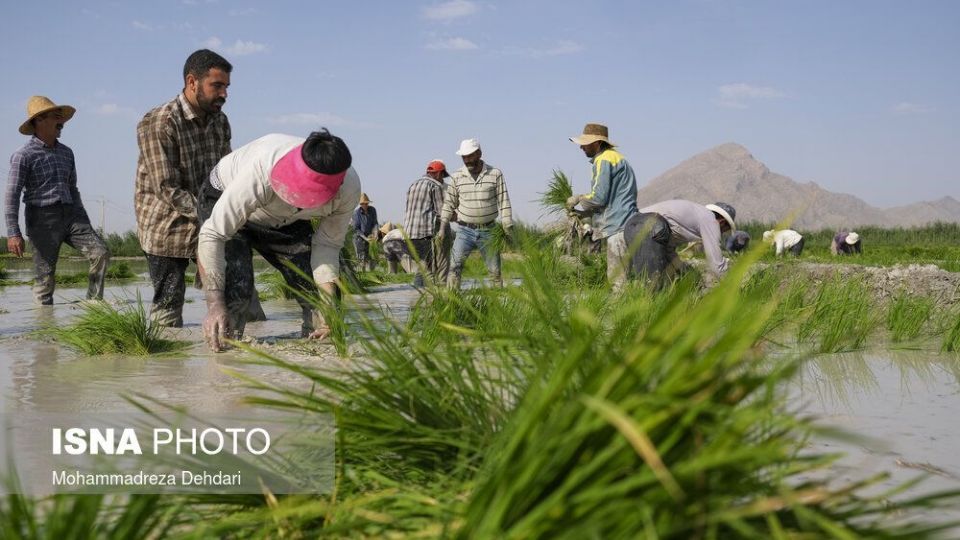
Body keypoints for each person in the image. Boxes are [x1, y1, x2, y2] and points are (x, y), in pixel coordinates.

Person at [197, 129, 361, 352]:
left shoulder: (348, 188)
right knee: (237, 290)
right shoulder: (261, 168)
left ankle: (317, 349)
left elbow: (328, 246)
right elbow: (212, 234)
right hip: (225, 197)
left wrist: (329, 310)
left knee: (316, 292)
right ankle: (225, 357)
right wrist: (214, 304)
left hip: (288, 218)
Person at [135, 49, 232, 327]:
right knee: (167, 313)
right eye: (217, 85)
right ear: (192, 82)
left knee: (236, 296)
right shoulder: (159, 121)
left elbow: (227, 173)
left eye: (226, 86)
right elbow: (166, 187)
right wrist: (215, 214)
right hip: (167, 227)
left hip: (210, 222)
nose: (224, 93)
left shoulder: (221, 121)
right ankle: (165, 369)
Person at [4, 96, 110, 305]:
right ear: (40, 120)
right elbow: (12, 194)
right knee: (45, 279)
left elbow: (73, 188)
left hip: (72, 216)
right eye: (56, 117)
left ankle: (93, 303)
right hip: (41, 220)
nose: (61, 123)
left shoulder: (67, 153)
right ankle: (45, 329)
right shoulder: (23, 156)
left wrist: (84, 220)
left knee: (101, 252)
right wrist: (13, 232)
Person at [564, 123, 639, 291]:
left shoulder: (603, 160)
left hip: (618, 226)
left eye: (585, 143)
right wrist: (582, 213)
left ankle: (620, 315)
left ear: (597, 143)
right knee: (628, 277)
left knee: (617, 281)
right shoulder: (617, 158)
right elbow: (610, 198)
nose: (581, 147)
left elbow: (599, 197)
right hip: (627, 222)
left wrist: (578, 198)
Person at [439, 138, 513, 289]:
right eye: (464, 157)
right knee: (454, 268)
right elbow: (449, 204)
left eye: (470, 156)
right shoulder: (457, 177)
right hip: (464, 230)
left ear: (479, 153)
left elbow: (504, 202)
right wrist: (442, 228)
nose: (467, 160)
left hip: (489, 230)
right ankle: (452, 302)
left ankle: (497, 304)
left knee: (495, 271)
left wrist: (508, 227)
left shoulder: (495, 174)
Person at [623, 200, 736, 290]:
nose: (722, 233)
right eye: (725, 229)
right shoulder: (711, 220)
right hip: (651, 225)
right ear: (722, 222)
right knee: (654, 285)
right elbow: (716, 263)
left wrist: (685, 270)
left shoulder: (691, 219)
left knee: (651, 280)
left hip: (631, 225)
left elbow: (668, 250)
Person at [403, 159, 447, 287]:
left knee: (421, 269)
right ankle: (431, 300)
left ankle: (415, 300)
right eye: (443, 176)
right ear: (439, 174)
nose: (443, 179)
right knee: (428, 271)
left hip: (409, 235)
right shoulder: (435, 186)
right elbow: (441, 212)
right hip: (424, 235)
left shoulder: (413, 185)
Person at [352, 192, 378, 271]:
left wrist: (376, 233)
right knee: (361, 256)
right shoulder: (356, 213)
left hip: (370, 236)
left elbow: (375, 223)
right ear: (361, 204)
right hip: (360, 237)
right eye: (363, 204)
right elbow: (356, 229)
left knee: (371, 256)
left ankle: (371, 272)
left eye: (366, 203)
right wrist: (365, 238)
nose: (365, 205)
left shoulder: (372, 210)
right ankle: (362, 272)